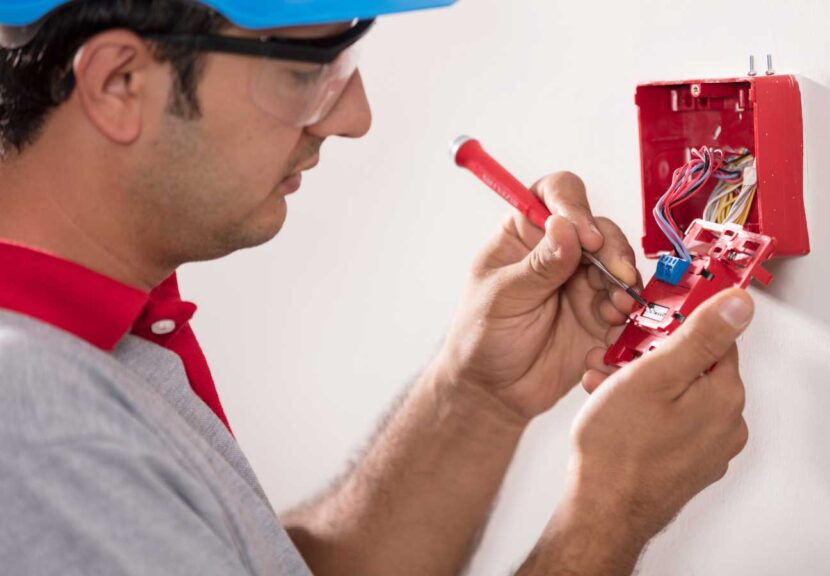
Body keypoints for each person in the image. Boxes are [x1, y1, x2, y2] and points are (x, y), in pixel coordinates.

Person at [0, 1, 752, 574]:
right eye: (309, 69)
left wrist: (479, 396)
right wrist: (608, 516)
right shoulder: (35, 431)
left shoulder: (101, 342)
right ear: (119, 83)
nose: (353, 117)